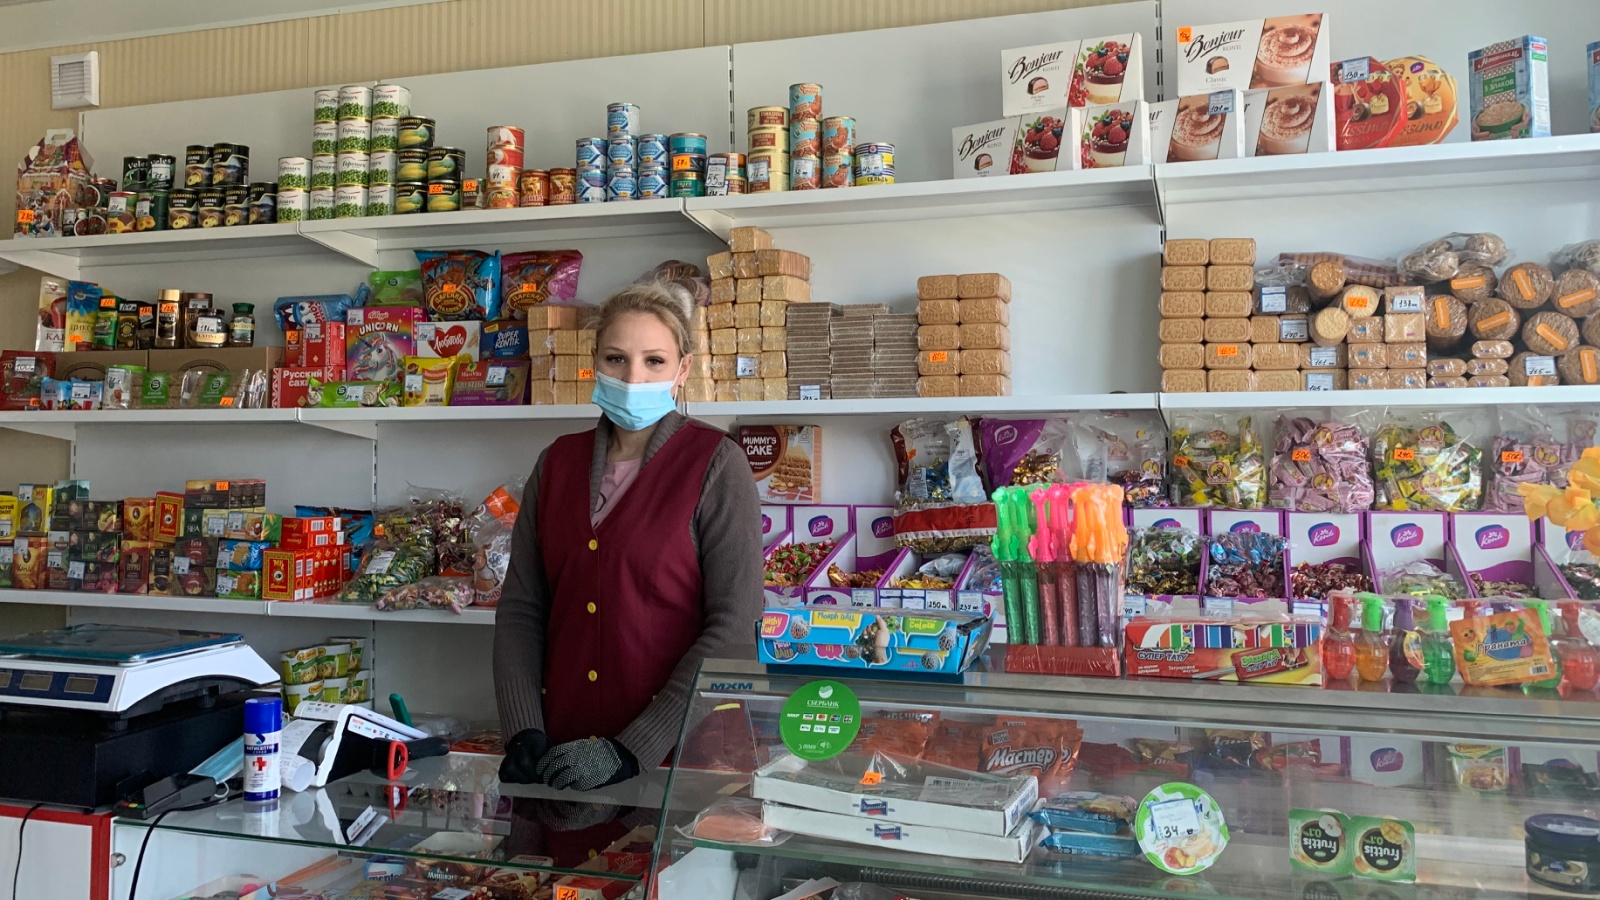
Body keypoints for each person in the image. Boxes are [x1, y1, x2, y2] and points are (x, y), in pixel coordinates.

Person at [494, 279, 762, 791]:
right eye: (616, 359)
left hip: (679, 757)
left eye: (654, 361)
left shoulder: (716, 464)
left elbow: (735, 626)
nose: (633, 377)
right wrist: (523, 727)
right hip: (560, 750)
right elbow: (523, 607)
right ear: (595, 362)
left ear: (682, 370)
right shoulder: (557, 463)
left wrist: (633, 748)